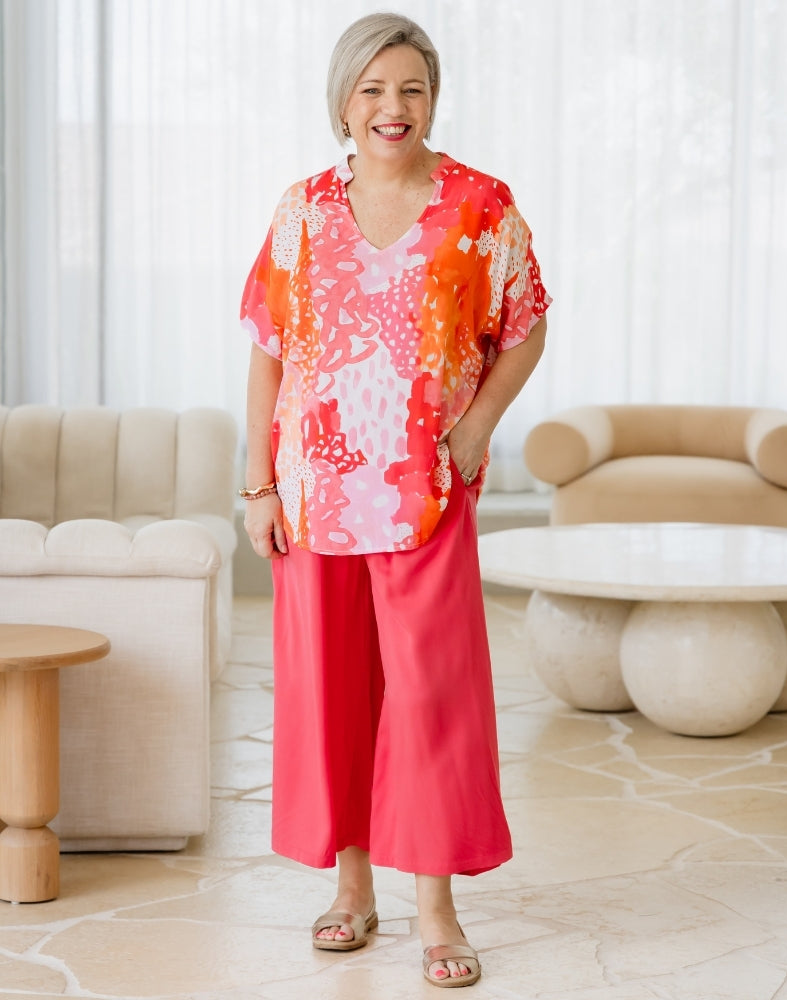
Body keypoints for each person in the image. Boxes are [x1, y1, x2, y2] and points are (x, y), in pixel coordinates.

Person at [240, 12, 550, 989]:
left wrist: (477, 424)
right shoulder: (301, 212)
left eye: (411, 88)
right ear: (343, 99)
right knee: (337, 700)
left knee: (430, 700)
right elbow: (268, 350)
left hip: (426, 492)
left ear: (433, 98)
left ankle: (436, 905)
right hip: (316, 495)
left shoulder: (478, 207)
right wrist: (257, 482)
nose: (392, 107)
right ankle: (352, 887)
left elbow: (526, 325)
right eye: (373, 89)